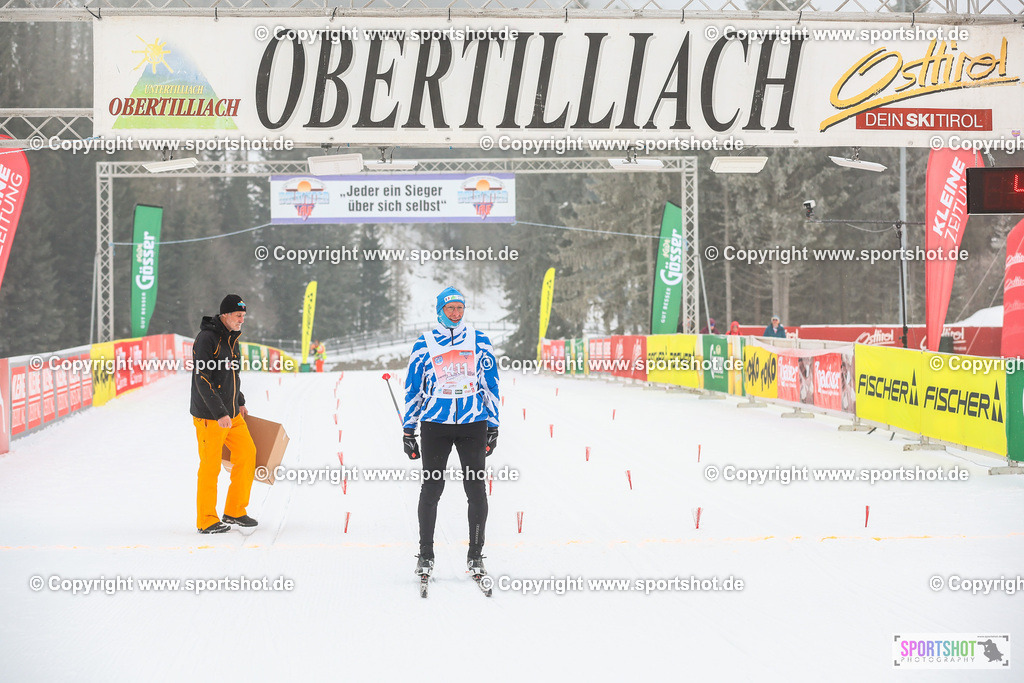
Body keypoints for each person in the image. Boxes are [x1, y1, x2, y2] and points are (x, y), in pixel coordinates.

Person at [402, 287, 500, 580]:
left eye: (459, 308)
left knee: (476, 489)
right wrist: (408, 429)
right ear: (440, 311)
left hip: (473, 423)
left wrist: (494, 425)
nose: (455, 314)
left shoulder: (479, 341)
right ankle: (426, 554)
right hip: (436, 425)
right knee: (432, 488)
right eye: (450, 309)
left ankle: (475, 555)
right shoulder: (425, 344)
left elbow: (490, 383)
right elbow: (413, 387)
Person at [190, 294, 257, 534]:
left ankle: (235, 510)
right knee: (210, 467)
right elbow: (202, 378)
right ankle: (206, 520)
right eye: (238, 316)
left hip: (231, 415)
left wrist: (239, 402)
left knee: (248, 455)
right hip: (210, 417)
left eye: (243, 316)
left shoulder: (232, 339)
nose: (242, 320)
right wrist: (219, 412)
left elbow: (233, 376)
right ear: (225, 315)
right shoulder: (207, 339)